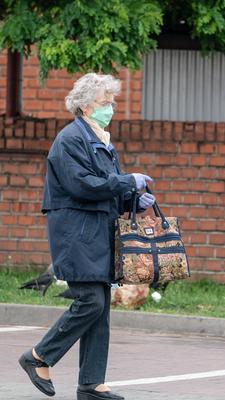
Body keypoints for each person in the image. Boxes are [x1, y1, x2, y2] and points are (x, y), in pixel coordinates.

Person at [18, 73, 155, 400]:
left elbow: (107, 190)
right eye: (105, 102)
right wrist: (126, 182)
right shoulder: (69, 140)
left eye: (112, 101)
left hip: (97, 232)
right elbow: (81, 185)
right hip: (76, 234)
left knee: (100, 305)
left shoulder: (102, 141)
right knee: (91, 301)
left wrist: (134, 198)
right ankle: (38, 357)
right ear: (83, 105)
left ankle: (92, 385)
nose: (111, 107)